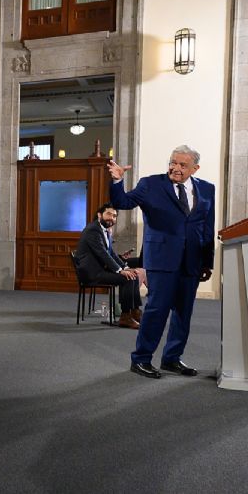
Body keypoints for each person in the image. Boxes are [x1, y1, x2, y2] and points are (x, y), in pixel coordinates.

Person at [107, 145, 215, 379]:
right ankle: (141, 359)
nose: (175, 168)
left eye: (182, 165)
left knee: (183, 314)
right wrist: (117, 181)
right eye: (173, 162)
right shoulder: (151, 184)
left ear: (195, 168)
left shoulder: (207, 189)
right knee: (157, 310)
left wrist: (208, 262)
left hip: (192, 262)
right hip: (161, 260)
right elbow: (123, 202)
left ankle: (172, 358)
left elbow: (207, 227)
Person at [73, 203, 144, 329]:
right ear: (100, 215)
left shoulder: (103, 230)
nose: (112, 218)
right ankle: (125, 316)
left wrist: (125, 268)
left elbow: (111, 253)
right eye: (109, 214)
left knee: (133, 275)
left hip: (101, 269)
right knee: (127, 279)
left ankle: (135, 311)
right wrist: (120, 271)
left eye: (115, 216)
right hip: (92, 273)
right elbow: (102, 254)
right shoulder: (93, 230)